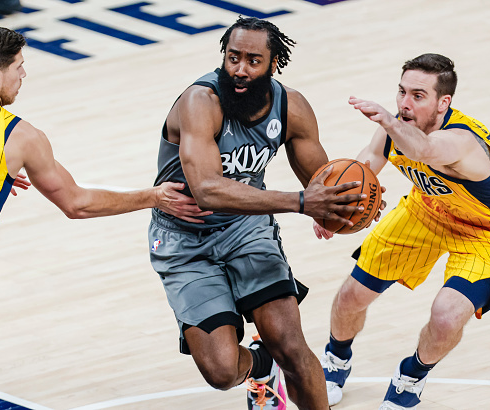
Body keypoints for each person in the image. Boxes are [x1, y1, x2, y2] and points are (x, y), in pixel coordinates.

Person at [0, 24, 207, 409]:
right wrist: (153, 196)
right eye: (19, 67)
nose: (23, 75)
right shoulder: (20, 137)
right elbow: (77, 203)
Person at [148, 16, 376, 410]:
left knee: (292, 347)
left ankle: (277, 360)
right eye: (233, 57)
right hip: (184, 242)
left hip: (247, 231)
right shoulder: (199, 102)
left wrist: (348, 204)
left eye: (253, 60)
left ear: (274, 64)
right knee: (220, 371)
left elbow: (319, 182)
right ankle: (259, 364)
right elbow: (206, 189)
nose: (240, 69)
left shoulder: (291, 106)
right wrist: (302, 204)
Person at [320, 53, 490, 409]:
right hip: (427, 211)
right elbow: (364, 165)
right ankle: (336, 360)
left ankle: (411, 377)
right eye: (401, 92)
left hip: (488, 232)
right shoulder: (395, 126)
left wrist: (388, 120)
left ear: (443, 102)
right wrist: (330, 206)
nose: (404, 103)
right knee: (351, 296)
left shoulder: (463, 141)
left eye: (418, 95)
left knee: (447, 316)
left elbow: (426, 149)